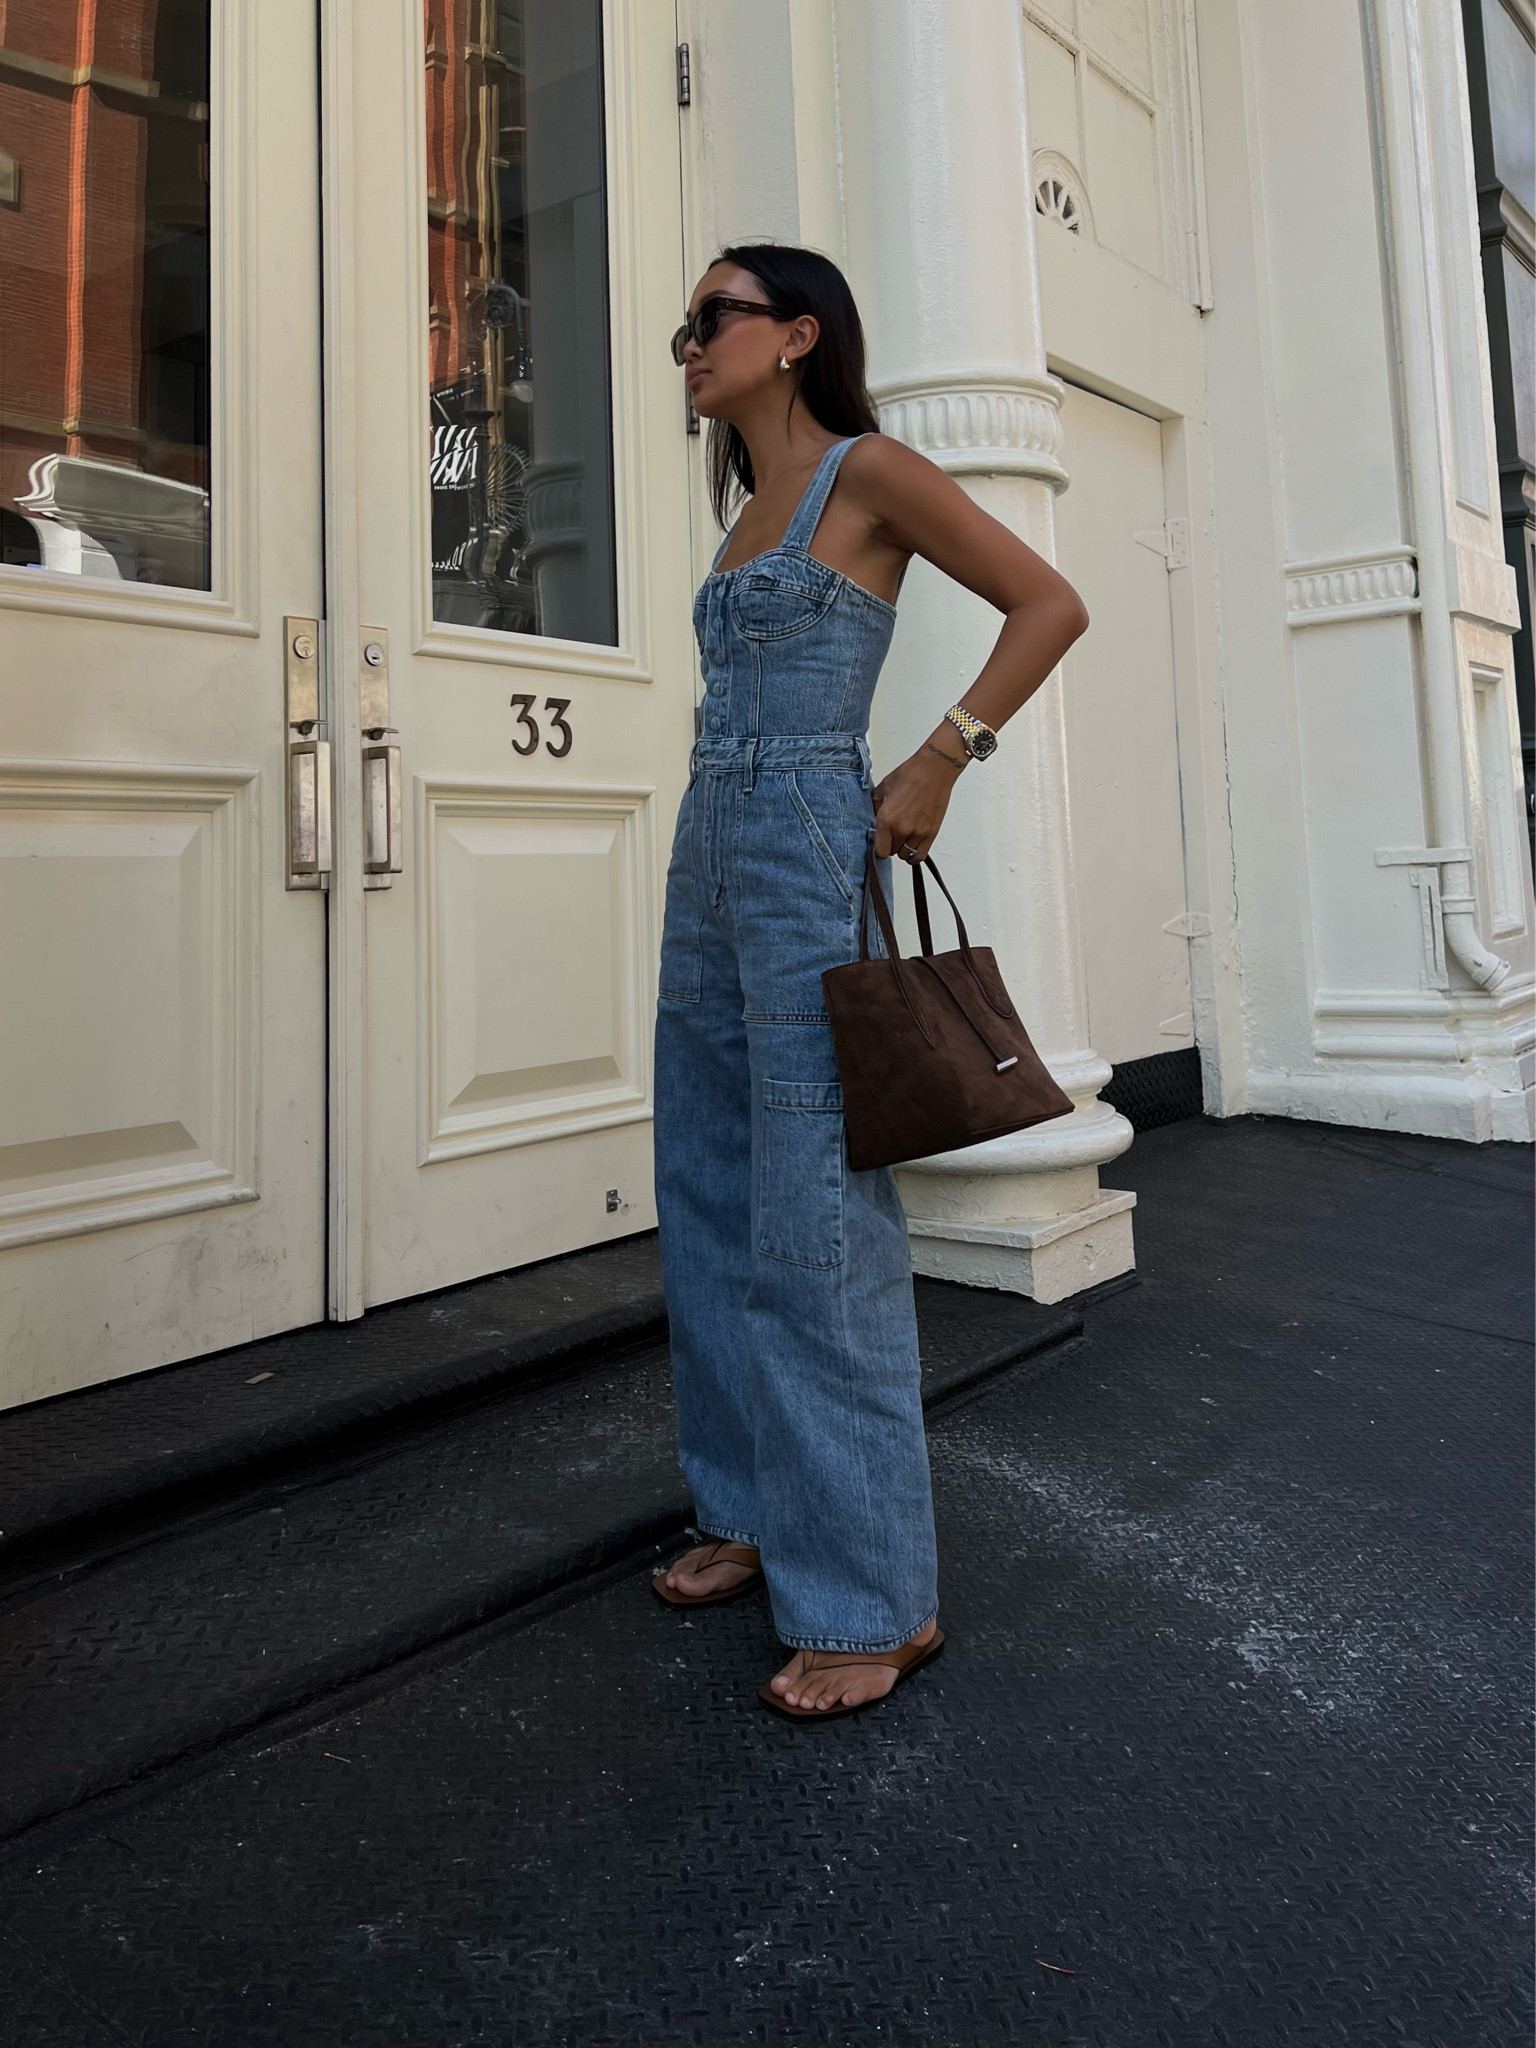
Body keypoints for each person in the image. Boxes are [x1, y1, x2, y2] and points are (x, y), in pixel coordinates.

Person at [651, 243, 1089, 1721]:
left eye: (711, 319)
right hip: (712, 838)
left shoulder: (870, 473)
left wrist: (944, 753)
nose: (688, 344)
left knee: (818, 1210)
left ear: (795, 335)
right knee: (711, 1180)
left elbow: (1047, 602)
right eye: (687, 325)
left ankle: (872, 1599)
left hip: (803, 835)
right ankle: (751, 1508)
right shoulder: (743, 509)